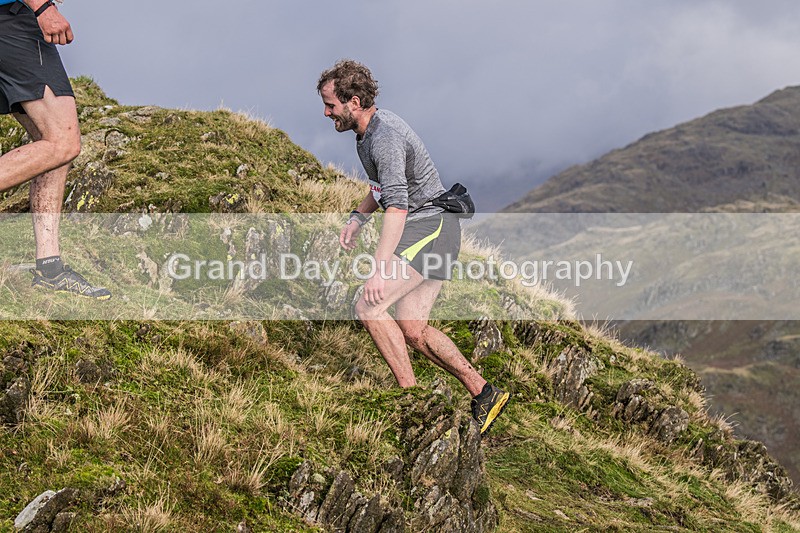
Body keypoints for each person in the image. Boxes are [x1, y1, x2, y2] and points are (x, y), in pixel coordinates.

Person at [317, 59, 510, 434]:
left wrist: (378, 269)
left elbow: (399, 207)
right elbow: (385, 188)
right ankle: (484, 392)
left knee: (369, 306)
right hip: (436, 227)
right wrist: (359, 216)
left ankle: (411, 397)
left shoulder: (384, 138)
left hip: (430, 227)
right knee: (412, 326)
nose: (326, 113)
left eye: (330, 105)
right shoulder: (368, 131)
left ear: (353, 102)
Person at [0, 0, 110, 299]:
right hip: (11, 19)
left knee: (52, 141)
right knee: (63, 141)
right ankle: (50, 268)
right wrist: (42, 7)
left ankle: (49, 266)